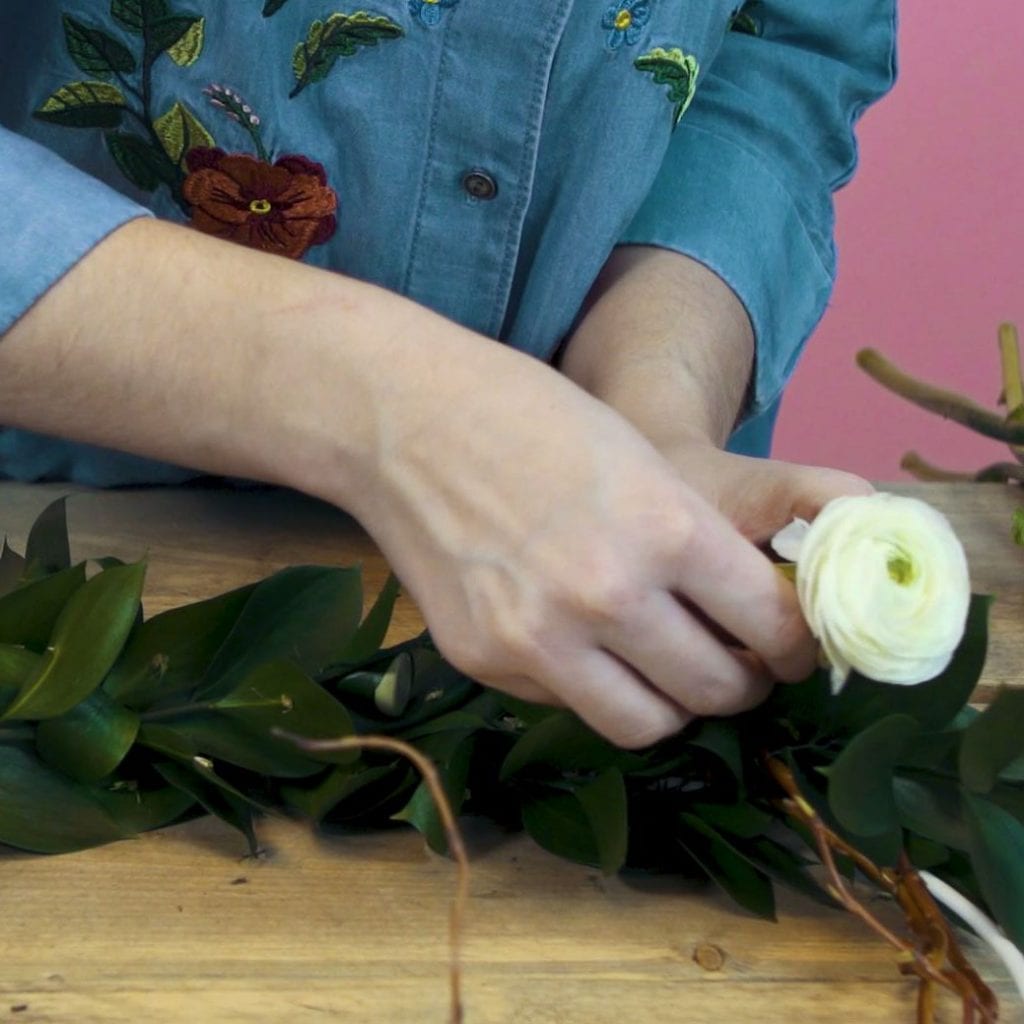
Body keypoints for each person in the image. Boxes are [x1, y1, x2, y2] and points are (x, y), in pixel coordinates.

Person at [0, 2, 895, 746]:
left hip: (585, 632)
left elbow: (780, 54)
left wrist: (654, 408)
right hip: (49, 574)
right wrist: (404, 411)